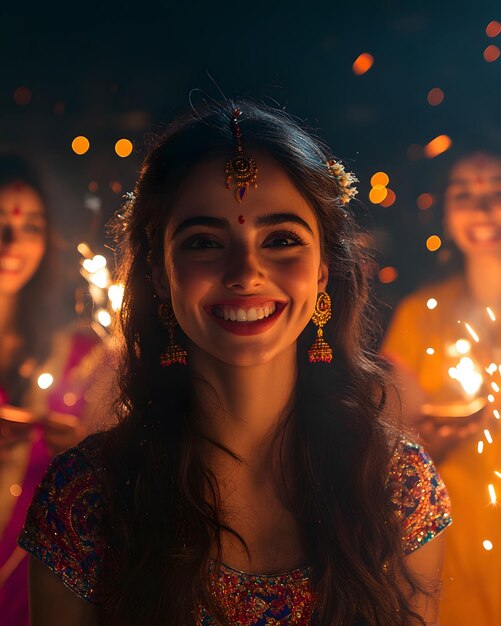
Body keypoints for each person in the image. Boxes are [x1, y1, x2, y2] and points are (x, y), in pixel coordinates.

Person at [19, 101, 451, 626]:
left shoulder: (393, 485)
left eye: (281, 240)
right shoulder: (87, 499)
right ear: (157, 271)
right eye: (204, 242)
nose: (246, 272)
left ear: (321, 271)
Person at [382, 149, 501, 626]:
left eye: (496, 191)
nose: (482, 210)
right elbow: (395, 437)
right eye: (464, 195)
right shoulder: (420, 315)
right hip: (457, 542)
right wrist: (432, 442)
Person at [0, 154, 108, 626]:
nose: (11, 244)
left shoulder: (78, 357)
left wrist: (84, 449)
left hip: (28, 578)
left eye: (30, 228)